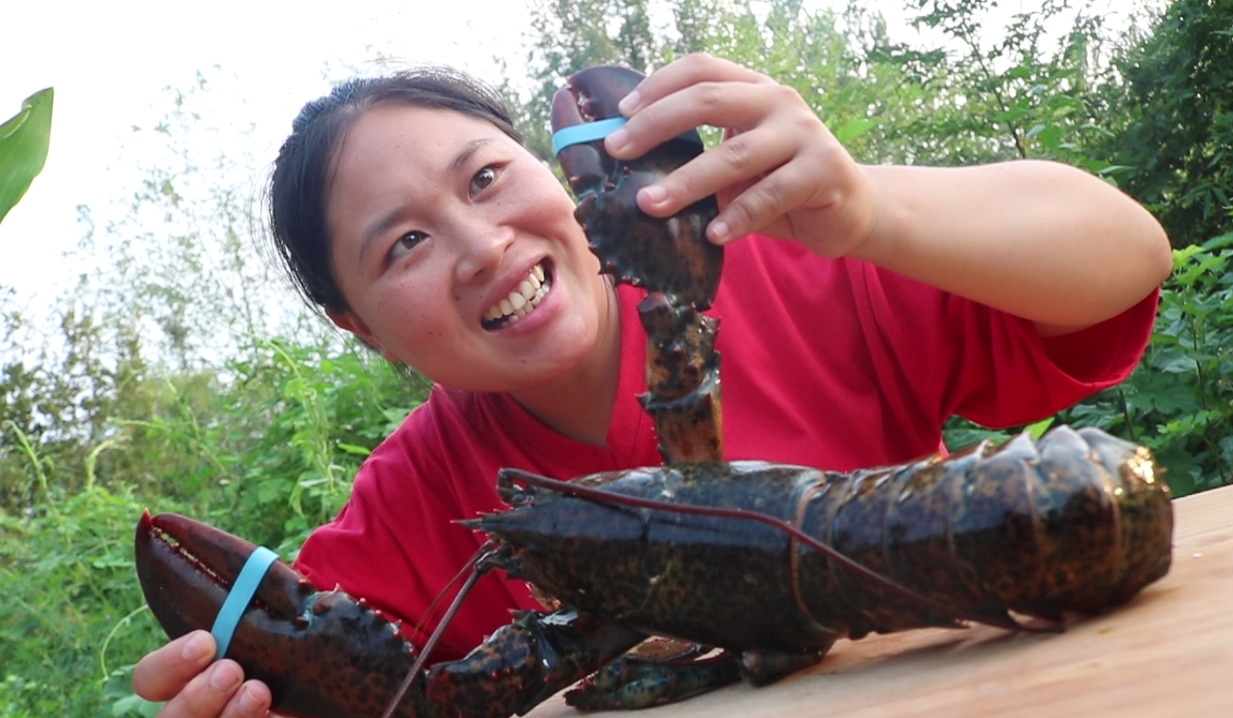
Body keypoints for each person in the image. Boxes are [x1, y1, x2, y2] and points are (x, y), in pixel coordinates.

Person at [132, 53, 1171, 718]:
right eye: (403, 243)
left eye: (485, 177)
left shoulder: (784, 271)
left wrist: (864, 211)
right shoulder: (414, 500)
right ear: (357, 328)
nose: (480, 245)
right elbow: (327, 689)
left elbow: (1126, 256)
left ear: (554, 170)